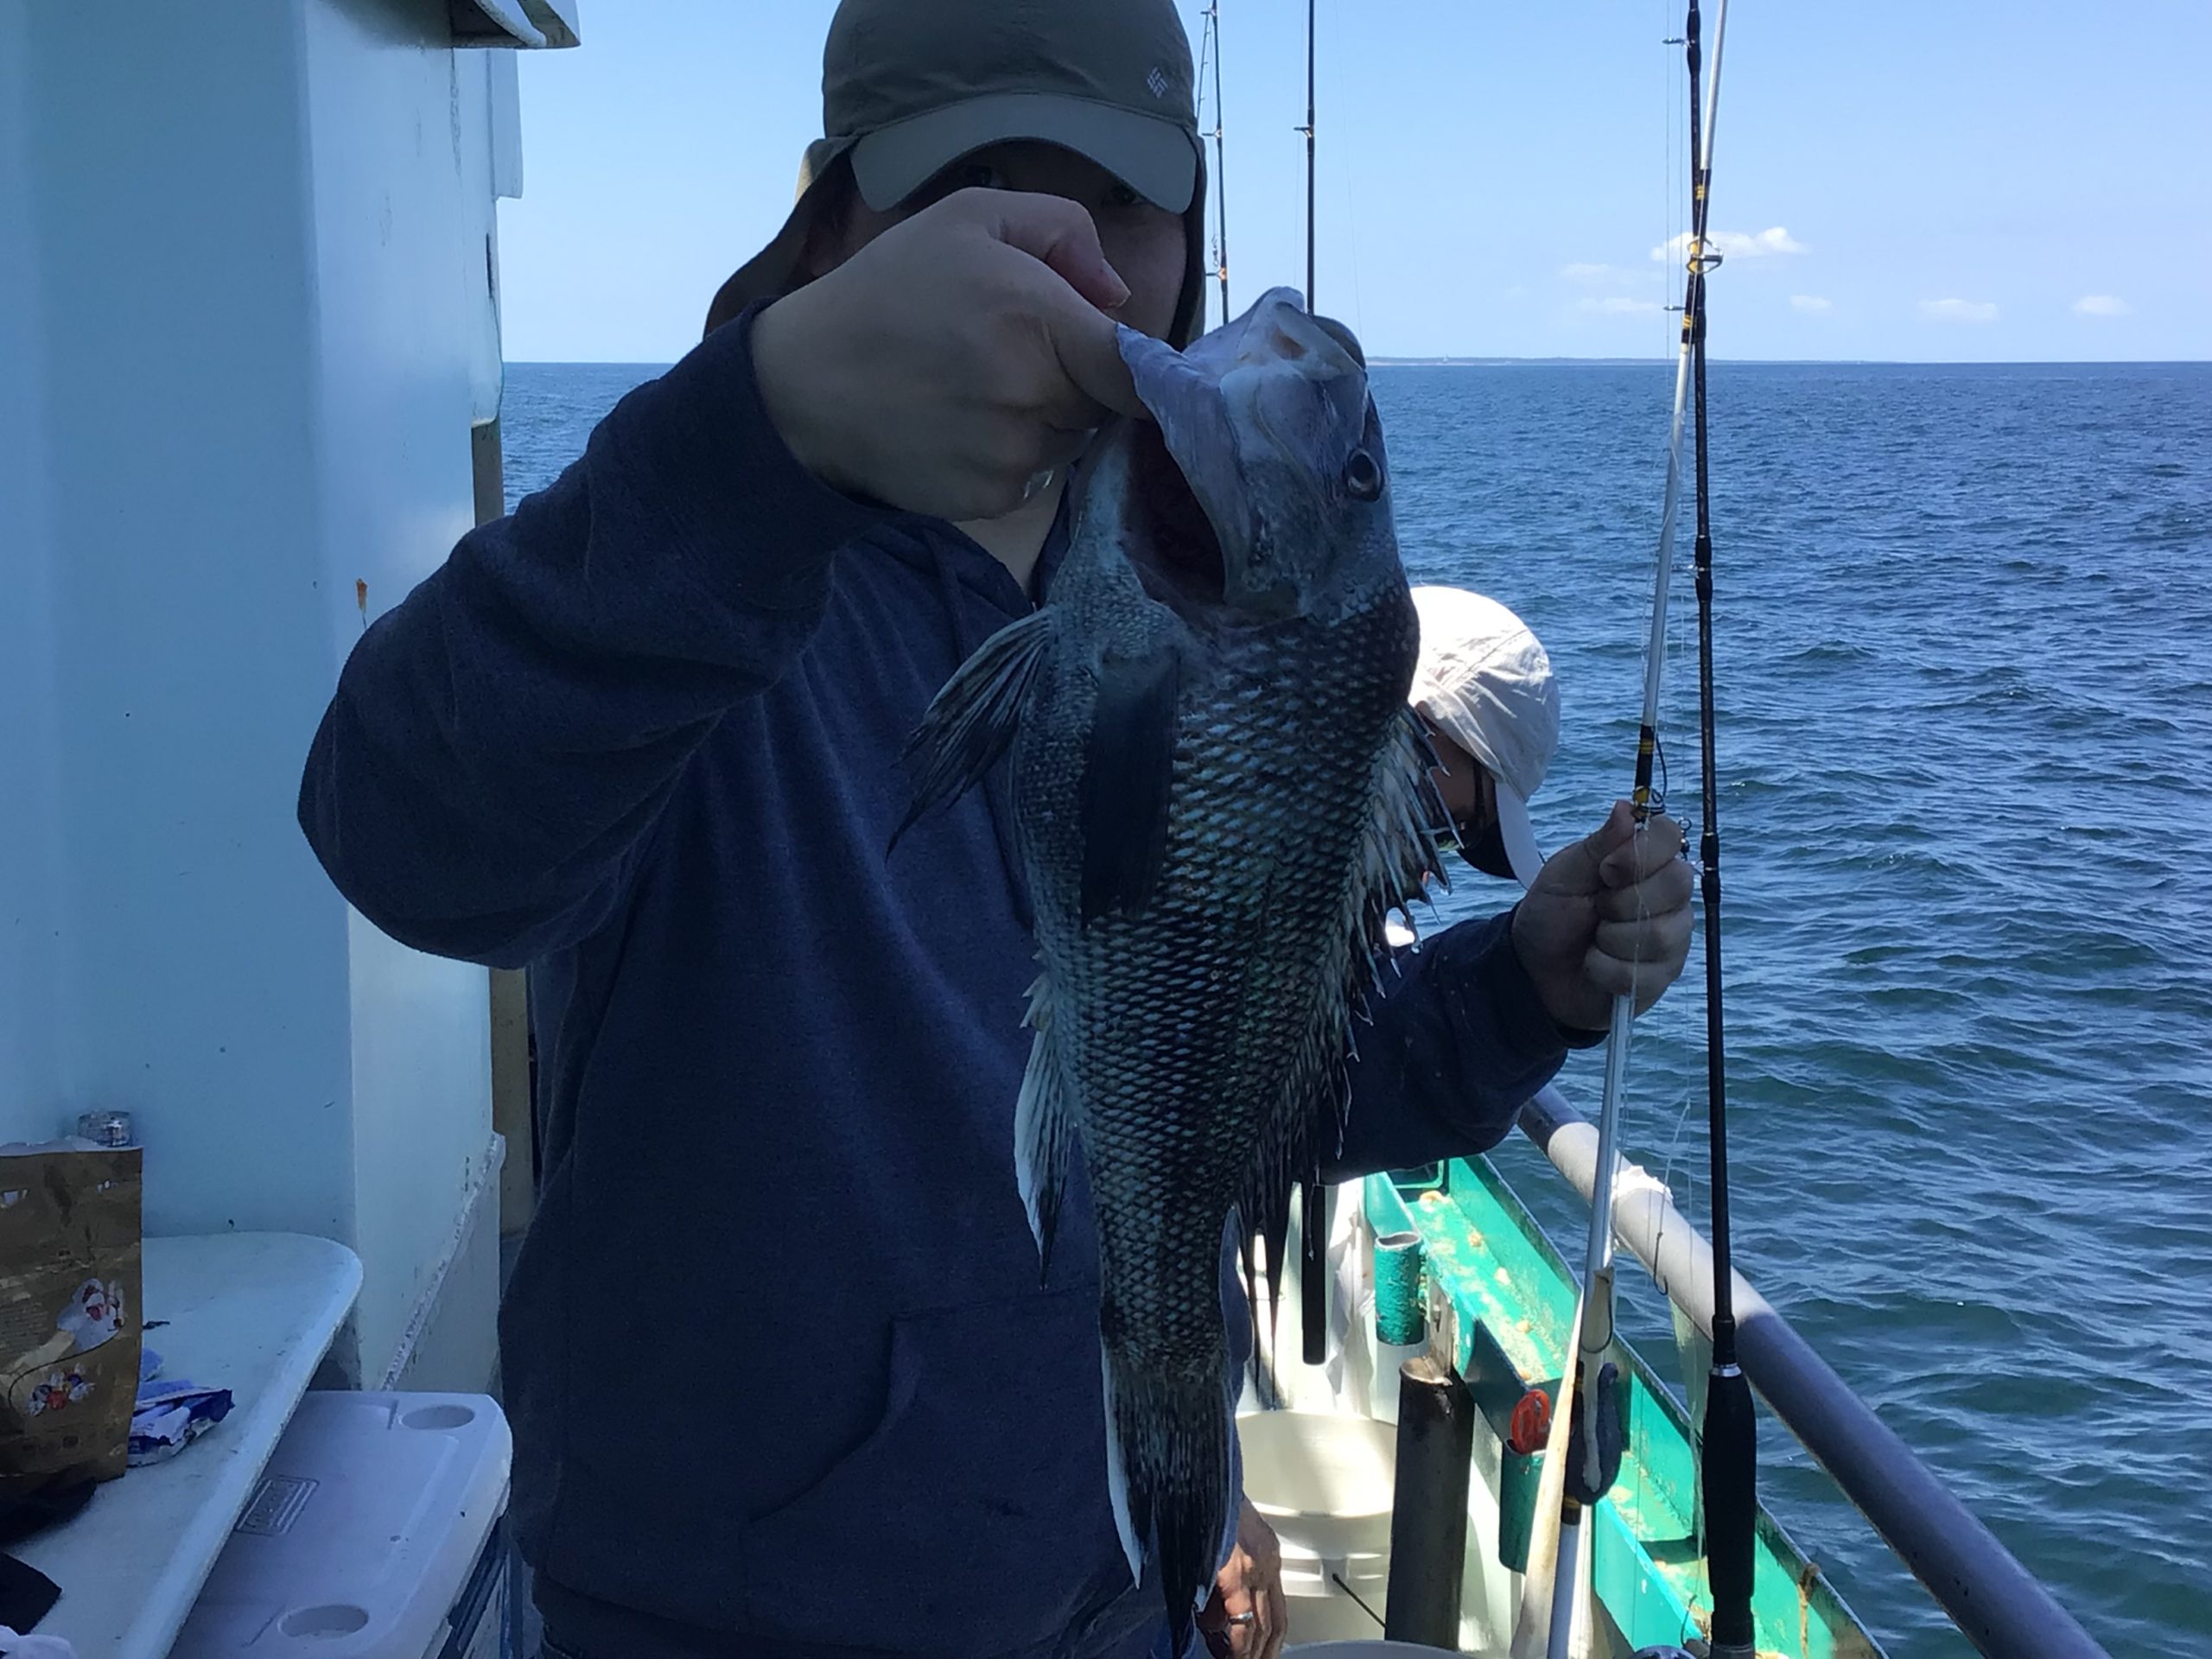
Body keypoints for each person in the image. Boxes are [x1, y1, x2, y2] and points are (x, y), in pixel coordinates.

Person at [295, 3, 1693, 1656]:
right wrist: (771, 432)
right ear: (835, 224)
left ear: (1187, 244)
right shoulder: (682, 572)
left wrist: (1511, 991)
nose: (1045, 249)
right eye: (969, 185)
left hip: (1106, 1594)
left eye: (1111, 202)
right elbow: (403, 831)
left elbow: (1222, 1077)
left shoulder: (1192, 582)